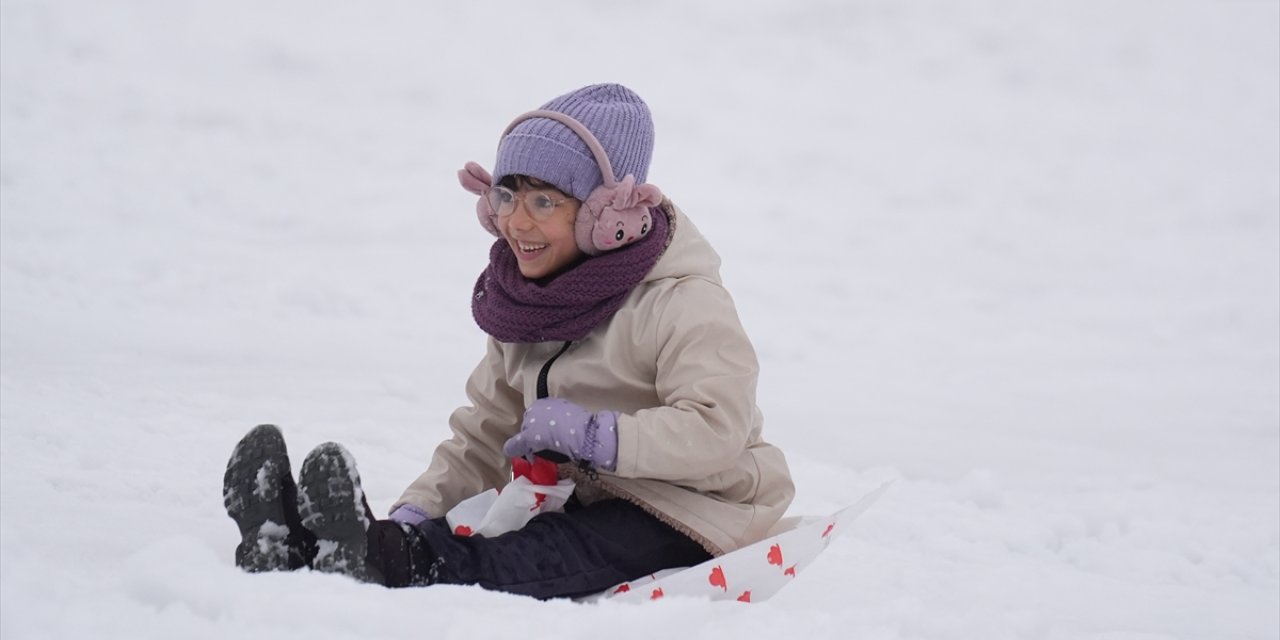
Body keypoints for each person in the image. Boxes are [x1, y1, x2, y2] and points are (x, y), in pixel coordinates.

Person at [222, 83, 795, 599]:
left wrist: (599, 437)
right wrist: (418, 510)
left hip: (696, 507)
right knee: (493, 523)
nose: (517, 223)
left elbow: (717, 430)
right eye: (505, 196)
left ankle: (393, 563)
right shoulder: (528, 303)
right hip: (579, 492)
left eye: (544, 201)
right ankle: (312, 544)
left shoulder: (682, 301)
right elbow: (486, 431)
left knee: (555, 548)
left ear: (607, 216)